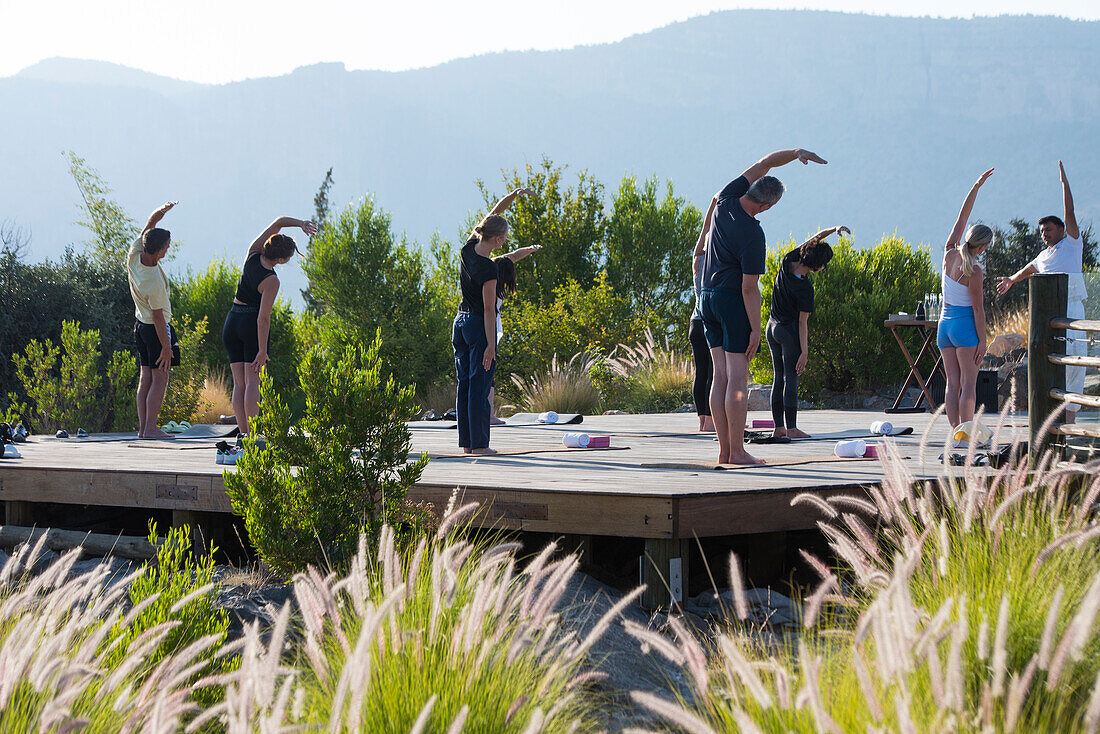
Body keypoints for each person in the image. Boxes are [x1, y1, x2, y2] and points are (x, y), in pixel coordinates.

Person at [698, 148, 827, 465]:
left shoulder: (726, 198)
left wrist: (796, 153)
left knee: (720, 377)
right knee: (738, 381)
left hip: (706, 297)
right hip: (730, 301)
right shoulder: (754, 234)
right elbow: (749, 287)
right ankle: (738, 451)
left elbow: (765, 163)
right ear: (766, 206)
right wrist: (756, 329)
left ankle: (724, 451)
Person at [997, 161, 1088, 423]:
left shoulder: (1072, 243)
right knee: (1050, 361)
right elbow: (1031, 268)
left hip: (1071, 308)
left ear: (1061, 230)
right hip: (1046, 313)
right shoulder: (1044, 254)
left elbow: (1069, 211)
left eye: (1048, 229)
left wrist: (1064, 184)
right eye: (1041, 231)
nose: (1044, 234)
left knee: (1073, 365)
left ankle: (1070, 425)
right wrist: (1012, 280)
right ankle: (1049, 422)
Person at [454, 187, 536, 454]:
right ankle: (479, 446)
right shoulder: (489, 267)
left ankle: (467, 444)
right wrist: (491, 345)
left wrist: (513, 194)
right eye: (505, 237)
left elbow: (494, 213)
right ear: (498, 239)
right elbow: (490, 310)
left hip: (459, 323)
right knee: (479, 386)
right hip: (478, 326)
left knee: (465, 385)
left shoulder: (467, 248)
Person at [222, 217, 317, 437]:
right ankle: (253, 436)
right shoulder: (271, 280)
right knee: (253, 382)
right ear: (282, 259)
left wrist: (300, 223)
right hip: (250, 325)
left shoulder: (253, 253)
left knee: (239, 383)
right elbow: (263, 319)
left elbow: (278, 222)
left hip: (232, 321)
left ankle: (244, 435)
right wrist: (262, 351)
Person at [767, 226, 846, 439]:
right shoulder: (805, 289)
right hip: (788, 332)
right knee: (791, 378)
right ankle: (791, 428)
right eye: (824, 264)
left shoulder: (788, 261)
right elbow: (803, 323)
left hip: (771, 327)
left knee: (778, 378)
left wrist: (833, 229)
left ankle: (778, 428)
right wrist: (805, 352)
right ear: (817, 266)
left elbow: (813, 239)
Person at [939, 168, 995, 428]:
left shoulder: (949, 253)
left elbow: (962, 217)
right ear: (982, 247)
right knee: (969, 385)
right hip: (964, 326)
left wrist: (976, 186)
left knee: (952, 383)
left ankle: (955, 434)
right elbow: (978, 310)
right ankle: (967, 436)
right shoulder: (975, 271)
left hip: (944, 326)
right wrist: (983, 341)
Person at [127, 201, 180, 439]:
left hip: (140, 325)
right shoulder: (153, 283)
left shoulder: (135, 253)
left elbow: (149, 226)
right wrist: (167, 348)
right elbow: (159, 319)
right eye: (167, 247)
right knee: (160, 377)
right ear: (159, 251)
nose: (168, 250)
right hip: (155, 328)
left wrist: (160, 213)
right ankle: (150, 428)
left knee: (145, 375)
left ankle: (143, 428)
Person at [488, 245, 542, 425]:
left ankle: (484, 414)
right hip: (487, 331)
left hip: (476, 327)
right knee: (488, 372)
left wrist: (529, 249)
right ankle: (488, 415)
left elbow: (511, 256)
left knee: (479, 373)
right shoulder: (494, 289)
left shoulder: (486, 271)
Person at [690, 203, 716, 432]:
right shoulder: (718, 266)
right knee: (714, 371)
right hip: (709, 321)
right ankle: (711, 420)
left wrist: (711, 206)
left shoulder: (697, 262)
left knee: (701, 371)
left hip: (694, 321)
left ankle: (702, 421)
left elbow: (704, 230)